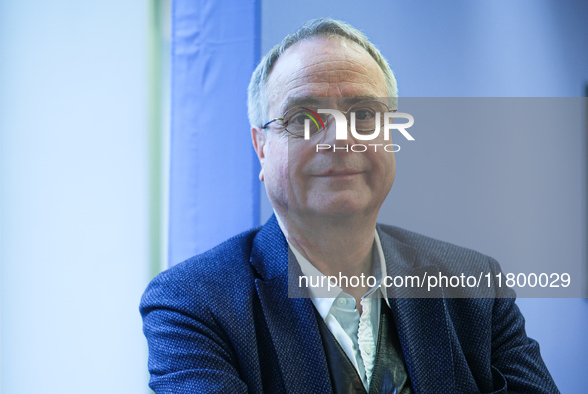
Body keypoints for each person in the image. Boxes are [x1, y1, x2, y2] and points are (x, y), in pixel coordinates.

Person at [140, 18, 558, 393]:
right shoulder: (193, 304)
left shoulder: (477, 286)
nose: (340, 138)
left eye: (363, 114)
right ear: (262, 148)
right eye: (304, 118)